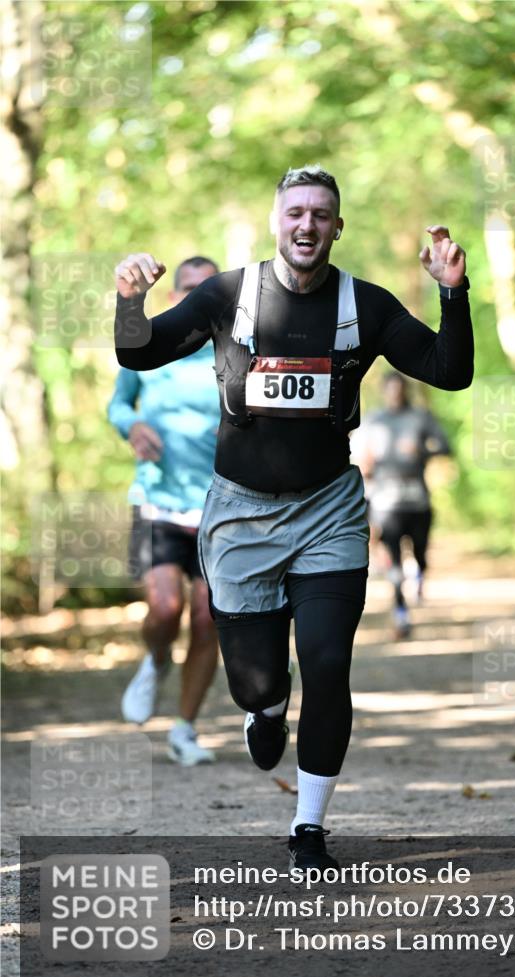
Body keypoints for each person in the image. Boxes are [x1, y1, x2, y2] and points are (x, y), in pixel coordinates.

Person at [113, 165, 474, 870]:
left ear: (337, 227)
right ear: (277, 221)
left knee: (329, 663)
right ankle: (265, 706)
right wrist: (131, 300)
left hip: (327, 511)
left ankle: (309, 827)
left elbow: (448, 369)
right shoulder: (228, 296)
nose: (306, 225)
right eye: (295, 213)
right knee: (255, 680)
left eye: (321, 215)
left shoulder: (362, 306)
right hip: (240, 515)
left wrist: (451, 292)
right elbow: (142, 349)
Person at [108, 256, 220, 766]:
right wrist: (130, 427)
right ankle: (155, 659)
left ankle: (184, 728)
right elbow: (117, 403)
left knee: (206, 619)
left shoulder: (235, 352)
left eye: (209, 290)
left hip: (220, 509)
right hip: (158, 501)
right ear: (175, 297)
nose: (199, 298)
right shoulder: (151, 347)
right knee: (166, 608)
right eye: (190, 290)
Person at [354, 371, 451, 640]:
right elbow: (357, 454)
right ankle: (400, 612)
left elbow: (445, 447)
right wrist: (365, 464)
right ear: (385, 392)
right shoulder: (373, 421)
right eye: (391, 390)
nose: (395, 394)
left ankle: (419, 572)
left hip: (417, 498)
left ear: (405, 390)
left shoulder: (420, 417)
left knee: (419, 552)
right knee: (393, 559)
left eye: (399, 390)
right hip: (386, 500)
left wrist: (422, 451)